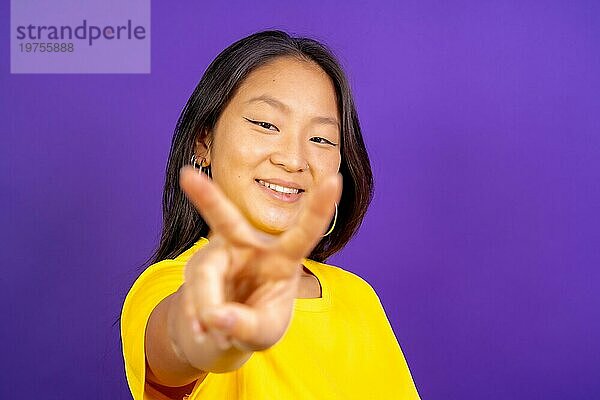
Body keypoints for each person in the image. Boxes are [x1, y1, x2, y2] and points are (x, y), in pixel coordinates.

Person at [121, 30, 421, 400]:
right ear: (204, 142)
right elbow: (178, 345)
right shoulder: (166, 286)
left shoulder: (359, 299)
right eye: (266, 124)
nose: (293, 160)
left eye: (321, 139)